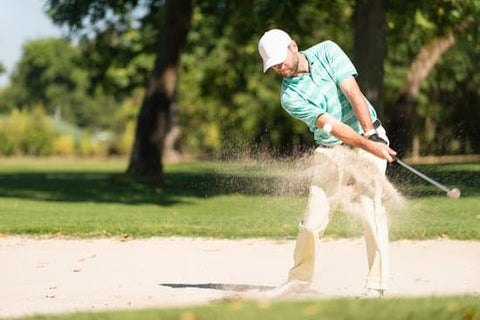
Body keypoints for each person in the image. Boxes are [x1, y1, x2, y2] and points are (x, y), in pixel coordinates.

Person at [258, 29, 397, 298]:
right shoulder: (289, 97)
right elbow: (330, 125)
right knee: (313, 217)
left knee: (370, 206)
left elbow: (353, 92)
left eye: (280, 60)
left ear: (294, 46)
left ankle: (376, 286)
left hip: (369, 133)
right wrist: (368, 144)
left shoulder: (327, 51)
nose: (279, 67)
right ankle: (299, 279)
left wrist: (371, 136)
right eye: (273, 65)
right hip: (332, 149)